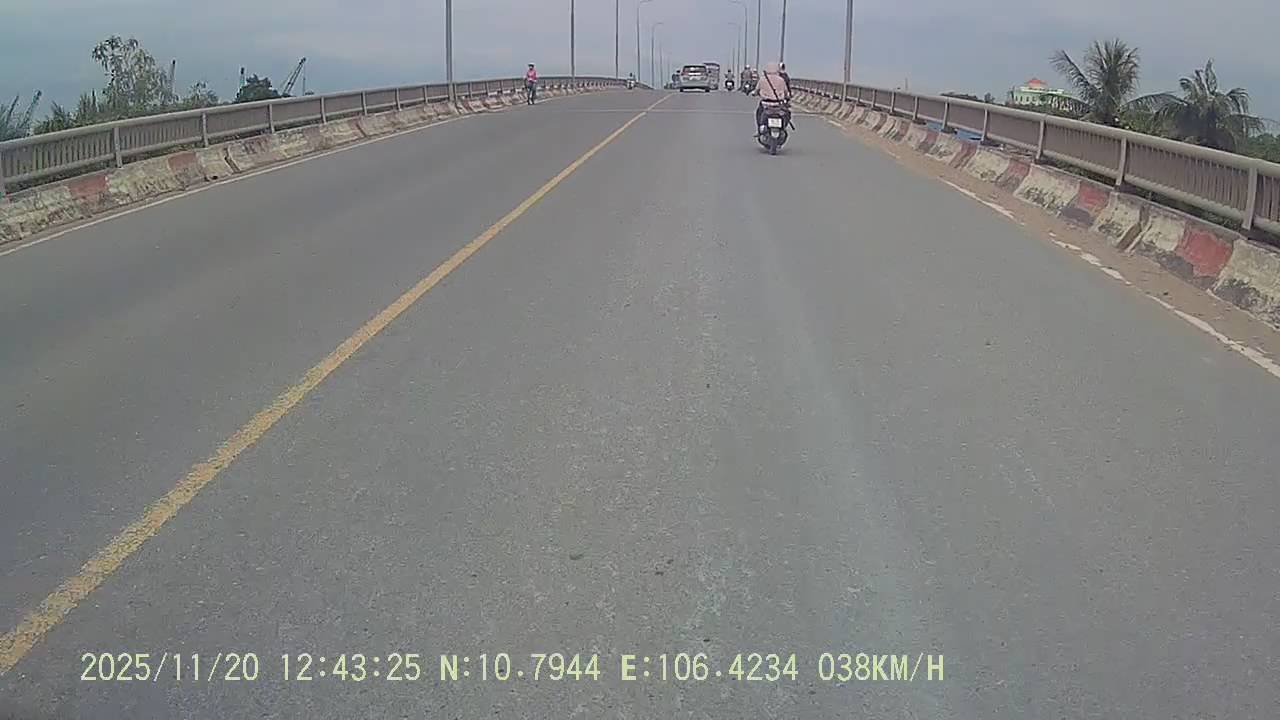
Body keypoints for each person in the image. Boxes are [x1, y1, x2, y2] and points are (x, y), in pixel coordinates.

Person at [755, 61, 791, 135]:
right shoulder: (781, 80)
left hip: (765, 104)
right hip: (778, 104)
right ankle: (783, 127)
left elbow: (756, 90)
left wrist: (756, 93)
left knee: (759, 114)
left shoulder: (762, 79)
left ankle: (760, 130)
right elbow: (786, 92)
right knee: (787, 113)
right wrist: (787, 97)